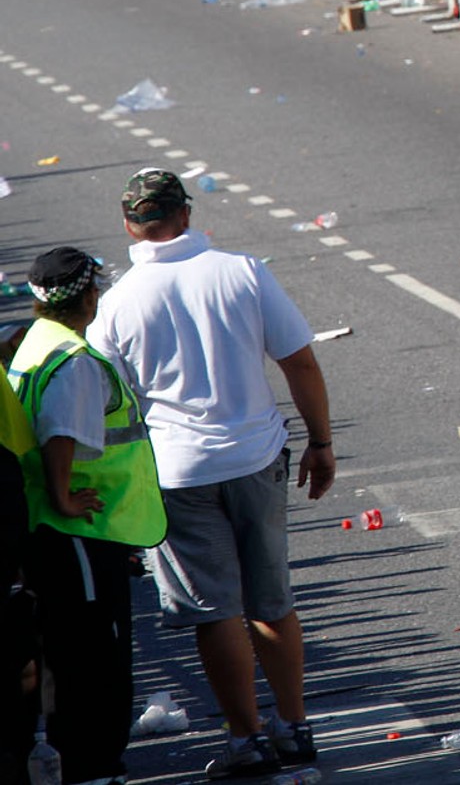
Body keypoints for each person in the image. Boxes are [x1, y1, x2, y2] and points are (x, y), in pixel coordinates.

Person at [89, 169, 336, 780]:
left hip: (176, 473)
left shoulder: (118, 302)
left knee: (214, 611)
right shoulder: (242, 271)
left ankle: (247, 740)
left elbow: (98, 399)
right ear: (186, 215)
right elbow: (300, 361)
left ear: (129, 225)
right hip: (255, 457)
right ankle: (296, 728)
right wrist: (321, 442)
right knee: (272, 601)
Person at [7, 247, 166, 785]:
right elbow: (60, 435)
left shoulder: (35, 342)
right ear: (91, 296)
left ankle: (77, 758)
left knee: (66, 647)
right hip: (78, 529)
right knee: (92, 651)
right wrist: (64, 495)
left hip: (53, 528)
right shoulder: (74, 359)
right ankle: (93, 764)